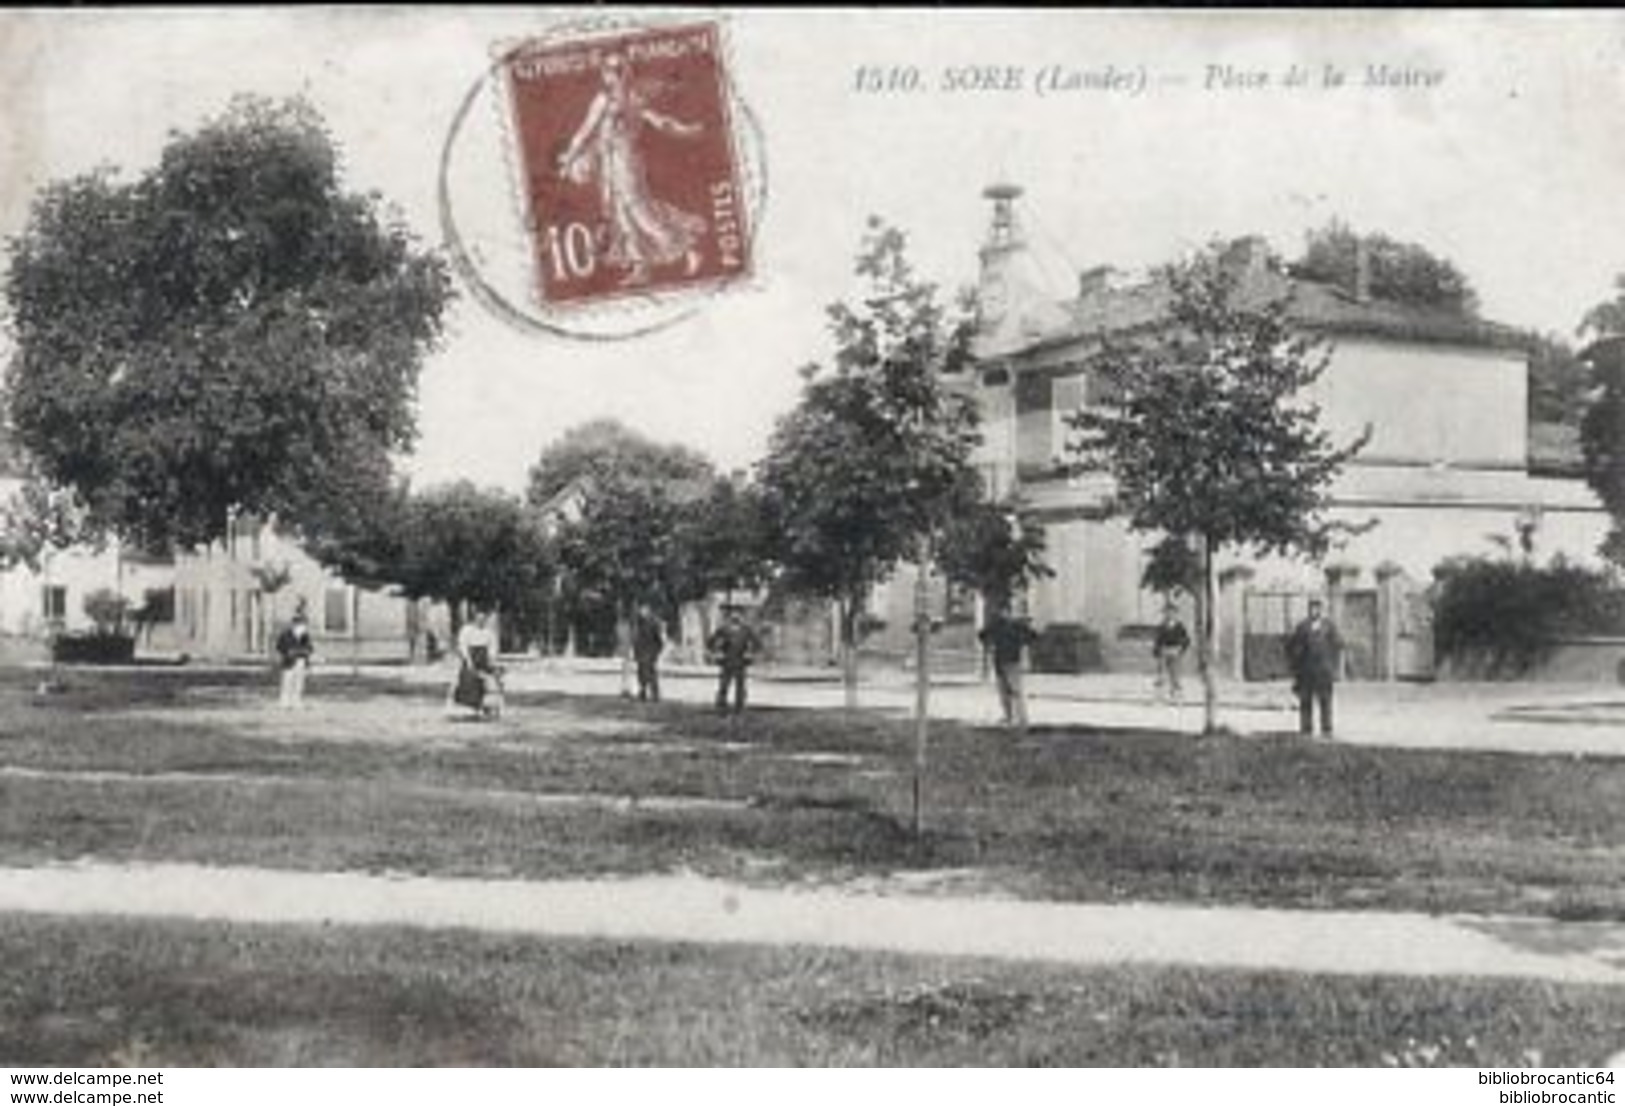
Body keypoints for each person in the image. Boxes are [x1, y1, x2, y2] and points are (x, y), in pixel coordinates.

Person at [556, 52, 707, 287]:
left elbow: (658, 120)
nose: (614, 76)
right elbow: (585, 131)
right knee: (620, 215)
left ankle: (688, 250)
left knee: (641, 211)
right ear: (604, 74)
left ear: (625, 73)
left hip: (627, 162)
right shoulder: (602, 100)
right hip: (609, 163)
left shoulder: (633, 97)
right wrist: (569, 159)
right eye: (609, 71)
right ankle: (641, 267)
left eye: (618, 71)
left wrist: (685, 130)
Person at [1286, 598, 1343, 738]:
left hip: (1324, 670)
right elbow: (1292, 645)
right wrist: (1296, 664)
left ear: (1321, 610)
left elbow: (1339, 643)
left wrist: (1332, 663)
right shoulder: (1303, 626)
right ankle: (1306, 729)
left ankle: (1327, 729)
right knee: (1305, 700)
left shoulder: (1329, 626)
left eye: (1317, 608)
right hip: (1306, 670)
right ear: (1309, 609)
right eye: (1312, 608)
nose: (1314, 611)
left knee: (1325, 700)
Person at [979, 607, 1038, 730]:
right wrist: (1022, 643)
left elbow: (982, 635)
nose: (1003, 614)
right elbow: (1033, 636)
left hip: (1007, 661)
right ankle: (1015, 718)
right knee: (1009, 691)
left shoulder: (1006, 625)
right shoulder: (1011, 625)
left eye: (1004, 611)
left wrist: (990, 644)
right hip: (1006, 661)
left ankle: (1017, 718)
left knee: (1011, 691)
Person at [450, 610, 503, 720]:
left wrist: (491, 660)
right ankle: (467, 709)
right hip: (471, 657)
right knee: (468, 680)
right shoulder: (467, 630)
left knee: (488, 681)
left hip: (483, 658)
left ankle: (485, 707)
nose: (481, 621)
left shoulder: (488, 632)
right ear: (474, 619)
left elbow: (492, 648)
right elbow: (463, 645)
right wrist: (468, 660)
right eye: (478, 619)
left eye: (483, 619)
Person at [707, 606, 759, 715]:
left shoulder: (746, 630)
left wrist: (750, 653)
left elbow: (757, 643)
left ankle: (739, 708)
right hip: (727, 661)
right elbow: (710, 642)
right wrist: (717, 653)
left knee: (740, 687)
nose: (735, 616)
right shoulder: (723, 629)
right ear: (729, 616)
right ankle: (721, 707)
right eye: (733, 614)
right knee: (724, 685)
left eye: (738, 614)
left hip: (740, 661)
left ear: (742, 617)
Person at [275, 604, 314, 710]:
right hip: (288, 662)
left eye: (303, 624)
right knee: (287, 682)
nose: (302, 626)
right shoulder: (285, 634)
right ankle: (284, 702)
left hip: (300, 661)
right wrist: (287, 652)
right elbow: (279, 646)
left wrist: (305, 653)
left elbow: (310, 648)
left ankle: (297, 701)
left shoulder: (305, 636)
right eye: (300, 624)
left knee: (299, 683)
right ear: (294, 624)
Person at [1152, 606, 1191, 703]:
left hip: (1175, 651)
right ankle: (1160, 695)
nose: (1169, 615)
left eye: (1172, 613)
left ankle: (1176, 695)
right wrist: (1157, 651)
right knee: (1161, 674)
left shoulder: (1180, 627)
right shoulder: (1162, 626)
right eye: (1167, 613)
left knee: (1175, 673)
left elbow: (1186, 640)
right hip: (1164, 651)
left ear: (1176, 614)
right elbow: (1157, 640)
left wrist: (1181, 649)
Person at [631, 604, 665, 703]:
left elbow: (659, 640)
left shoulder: (654, 622)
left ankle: (655, 694)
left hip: (650, 650)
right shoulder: (638, 622)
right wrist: (635, 651)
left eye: (643, 609)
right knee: (641, 672)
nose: (641, 612)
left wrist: (656, 652)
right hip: (641, 650)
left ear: (648, 609)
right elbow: (636, 637)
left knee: (651, 673)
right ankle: (643, 692)